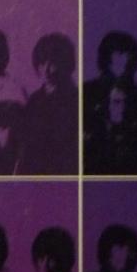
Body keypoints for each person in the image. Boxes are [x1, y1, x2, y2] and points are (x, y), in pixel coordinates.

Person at [83, 31, 137, 174]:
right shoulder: (88, 90)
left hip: (130, 166)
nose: (127, 58)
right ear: (107, 58)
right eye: (121, 53)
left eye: (130, 54)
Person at [22, 33, 78, 175]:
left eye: (52, 63)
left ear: (65, 64)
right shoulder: (34, 100)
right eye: (42, 64)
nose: (46, 70)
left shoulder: (76, 98)